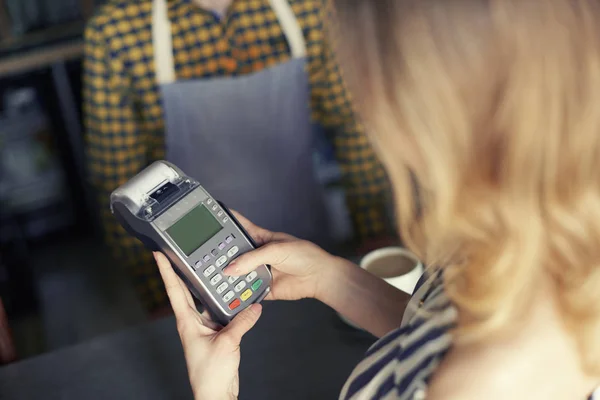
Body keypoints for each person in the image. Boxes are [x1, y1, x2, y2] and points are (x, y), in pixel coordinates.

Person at [152, 0, 600, 398]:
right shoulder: (545, 223)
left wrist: (216, 394)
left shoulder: (469, 387)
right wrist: (332, 280)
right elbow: (437, 334)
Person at [83, 0, 393, 316]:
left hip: (309, 247)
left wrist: (374, 232)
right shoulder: (116, 32)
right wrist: (160, 295)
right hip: (203, 284)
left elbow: (352, 123)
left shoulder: (308, 6)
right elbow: (116, 180)